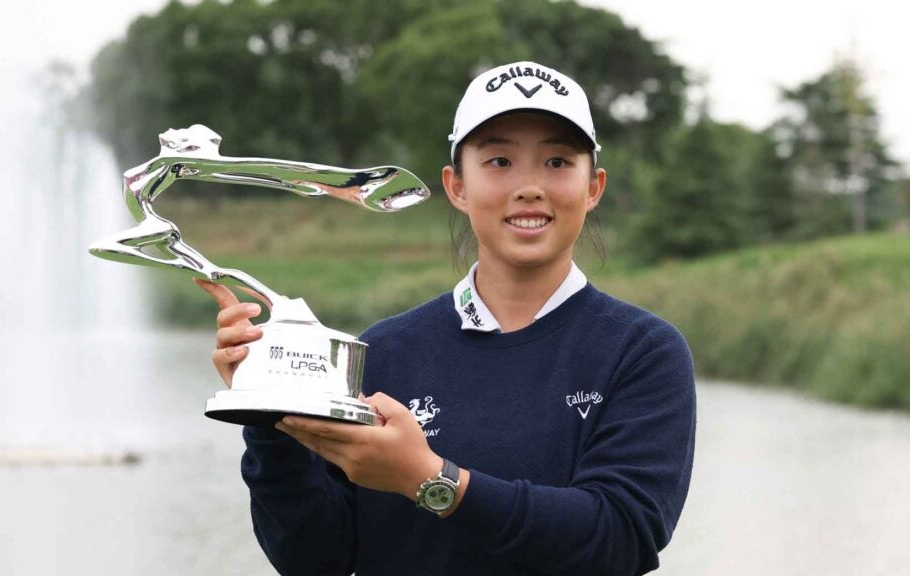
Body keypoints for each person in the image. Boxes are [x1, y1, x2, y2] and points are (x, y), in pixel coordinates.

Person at [197, 61, 696, 576]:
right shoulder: (387, 349)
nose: (529, 186)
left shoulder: (642, 351)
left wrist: (428, 479)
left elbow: (619, 539)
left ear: (594, 187)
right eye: (499, 160)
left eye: (557, 161)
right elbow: (315, 558)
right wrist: (270, 414)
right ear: (456, 186)